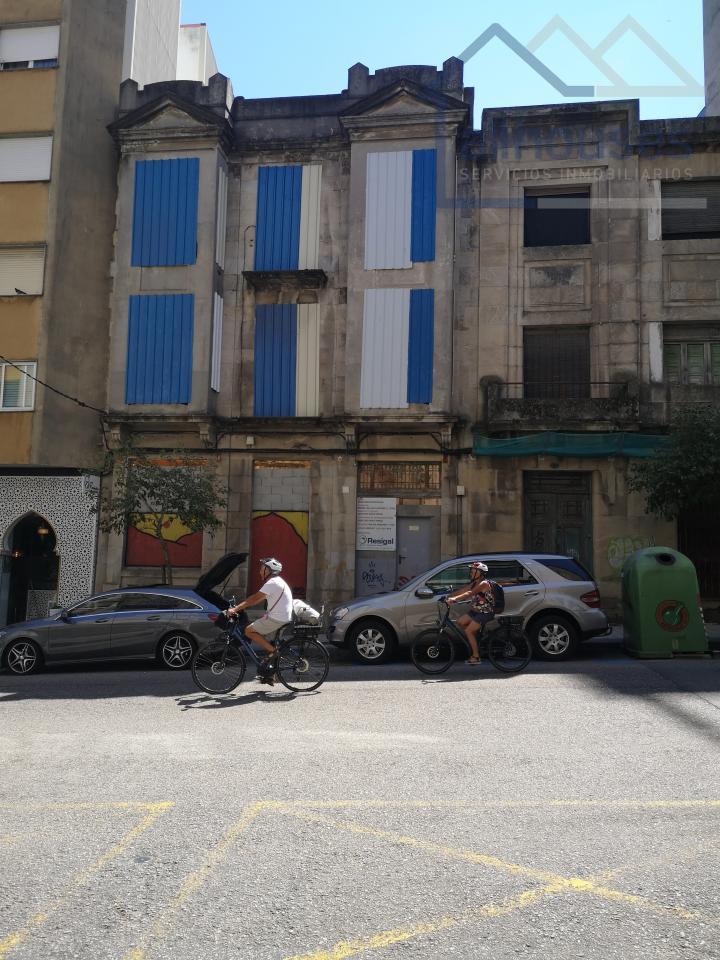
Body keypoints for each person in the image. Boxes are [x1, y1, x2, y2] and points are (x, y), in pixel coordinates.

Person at [225, 557, 293, 685]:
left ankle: (275, 652)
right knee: (268, 642)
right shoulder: (277, 581)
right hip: (281, 617)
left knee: (248, 630)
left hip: (277, 618)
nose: (260, 571)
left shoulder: (272, 583)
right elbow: (256, 598)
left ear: (269, 570)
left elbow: (254, 599)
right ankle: (269, 675)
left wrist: (235, 609)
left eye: (262, 569)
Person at [446, 561, 496, 665]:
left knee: (468, 631)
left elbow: (470, 593)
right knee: (460, 622)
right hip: (475, 611)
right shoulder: (474, 583)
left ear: (480, 573)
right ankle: (474, 640)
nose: (471, 572)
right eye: (471, 570)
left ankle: (476, 657)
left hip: (485, 612)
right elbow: (464, 590)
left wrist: (454, 599)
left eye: (473, 571)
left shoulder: (484, 584)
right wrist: (448, 596)